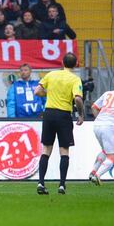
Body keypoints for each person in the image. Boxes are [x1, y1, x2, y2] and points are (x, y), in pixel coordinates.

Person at [34, 53, 84, 195]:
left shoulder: (51, 74)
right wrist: (80, 114)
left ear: (62, 62)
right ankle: (62, 185)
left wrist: (49, 94)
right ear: (75, 64)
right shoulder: (75, 79)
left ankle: (41, 183)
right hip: (63, 115)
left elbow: (37, 91)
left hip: (49, 114)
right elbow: (78, 99)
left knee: (46, 150)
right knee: (64, 150)